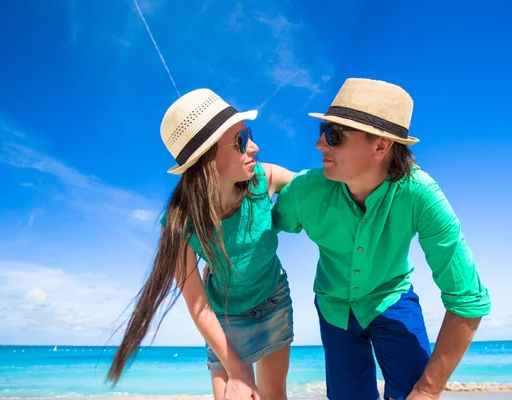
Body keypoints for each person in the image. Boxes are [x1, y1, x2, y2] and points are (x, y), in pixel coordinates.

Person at [272, 78, 491, 400]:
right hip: (333, 307)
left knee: (413, 393)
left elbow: (467, 299)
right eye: (322, 132)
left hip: (393, 298)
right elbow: (263, 230)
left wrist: (429, 391)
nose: (320, 145)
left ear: (380, 146)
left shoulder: (421, 196)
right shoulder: (305, 192)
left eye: (334, 135)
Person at [107, 88, 296, 400]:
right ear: (208, 159)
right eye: (240, 140)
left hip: (273, 299)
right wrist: (235, 371)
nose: (254, 146)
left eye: (248, 134)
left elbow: (319, 189)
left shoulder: (265, 179)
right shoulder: (181, 223)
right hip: (223, 315)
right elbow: (197, 304)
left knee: (273, 395)